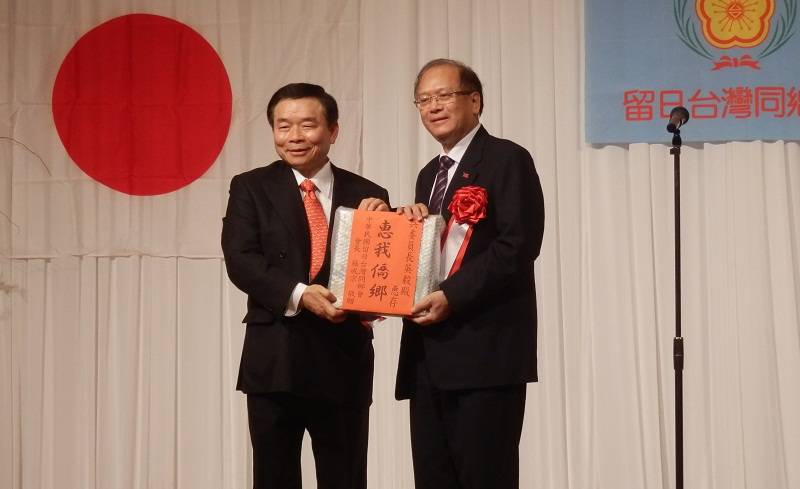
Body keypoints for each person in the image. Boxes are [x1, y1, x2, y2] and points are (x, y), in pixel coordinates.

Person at [221, 83, 389, 489]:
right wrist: (300, 294)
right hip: (275, 358)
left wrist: (393, 221)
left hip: (343, 358)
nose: (294, 136)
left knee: (346, 478)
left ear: (333, 130)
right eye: (283, 126)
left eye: (307, 125)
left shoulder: (368, 194)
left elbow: (383, 273)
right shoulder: (250, 187)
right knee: (274, 477)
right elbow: (241, 260)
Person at [395, 59, 545, 488]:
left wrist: (452, 296)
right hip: (429, 355)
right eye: (423, 99)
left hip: (485, 353)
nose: (433, 107)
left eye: (444, 95)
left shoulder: (507, 159)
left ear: (475, 101)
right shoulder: (429, 175)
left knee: (485, 477)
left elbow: (518, 246)